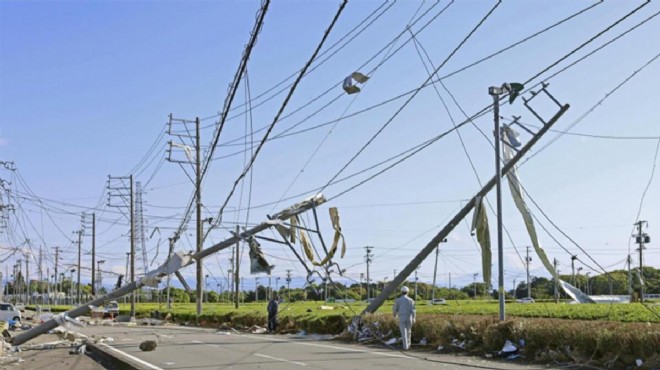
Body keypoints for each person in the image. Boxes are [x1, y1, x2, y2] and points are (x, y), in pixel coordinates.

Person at [392, 286, 415, 351]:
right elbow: (413, 310)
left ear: (401, 292)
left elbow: (394, 309)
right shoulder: (411, 300)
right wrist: (414, 318)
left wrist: (394, 315)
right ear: (408, 292)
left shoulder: (398, 300)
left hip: (401, 317)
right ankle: (409, 345)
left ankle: (405, 347)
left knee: (403, 332)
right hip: (409, 317)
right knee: (409, 332)